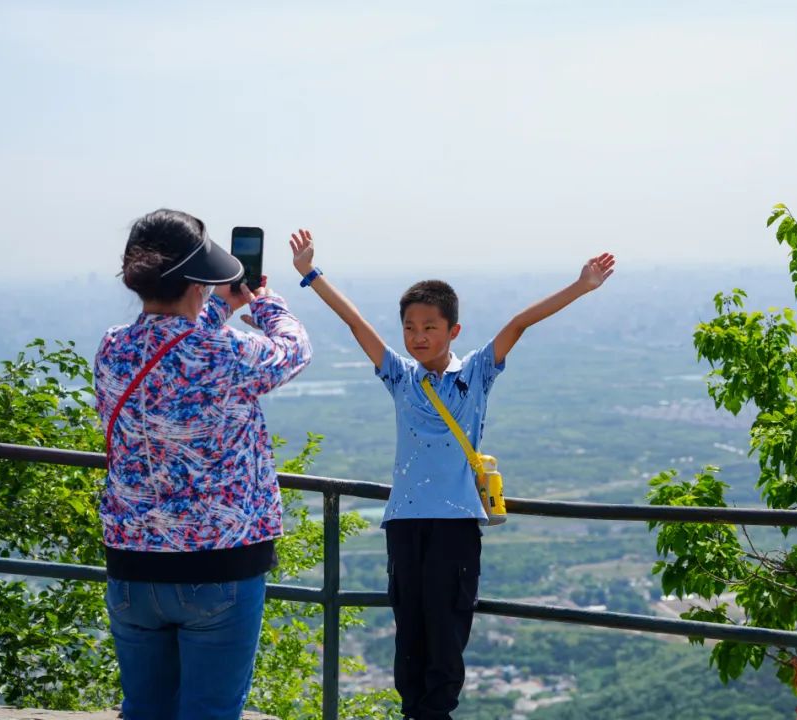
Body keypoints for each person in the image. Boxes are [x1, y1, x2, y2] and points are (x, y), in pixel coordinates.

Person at [289, 228, 614, 720]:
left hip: (456, 524)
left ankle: (435, 714)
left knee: (446, 630)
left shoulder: (475, 374)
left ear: (453, 331)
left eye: (430, 327)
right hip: (403, 523)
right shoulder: (401, 376)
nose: (418, 337)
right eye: (409, 328)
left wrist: (582, 285)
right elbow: (356, 324)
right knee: (410, 632)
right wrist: (311, 273)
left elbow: (519, 323)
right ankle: (412, 712)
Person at [93, 209, 311, 720]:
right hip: (219, 566)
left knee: (144, 711)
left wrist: (217, 308)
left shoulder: (113, 348)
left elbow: (174, 345)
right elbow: (293, 349)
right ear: (198, 285)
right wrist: (264, 302)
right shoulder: (225, 354)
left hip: (132, 564)